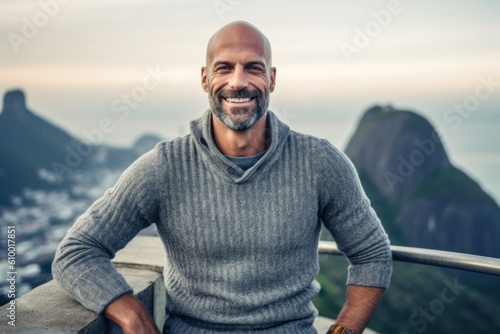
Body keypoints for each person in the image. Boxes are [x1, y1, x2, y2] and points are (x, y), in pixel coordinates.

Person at [52, 21, 392, 334]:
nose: (238, 82)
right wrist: (132, 313)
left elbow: (372, 254)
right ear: (204, 79)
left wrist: (342, 330)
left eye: (253, 68)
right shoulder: (164, 167)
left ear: (272, 78)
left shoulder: (318, 162)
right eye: (224, 68)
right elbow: (77, 251)